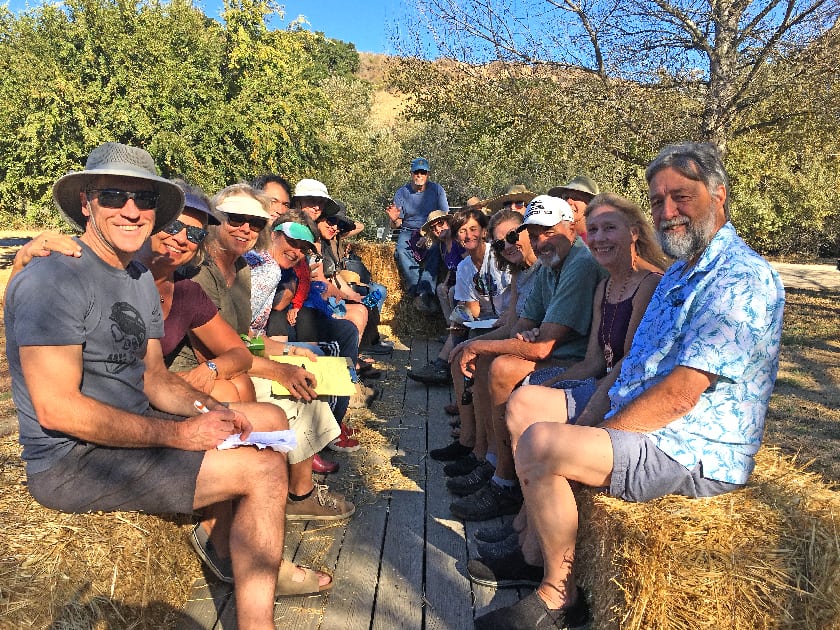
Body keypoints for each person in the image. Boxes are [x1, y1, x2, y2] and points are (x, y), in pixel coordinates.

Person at [3, 143, 327, 630]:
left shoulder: (135, 277)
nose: (131, 210)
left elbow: (155, 378)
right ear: (86, 202)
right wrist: (179, 435)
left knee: (268, 420)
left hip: (132, 430)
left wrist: (209, 410)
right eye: (114, 195)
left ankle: (234, 550)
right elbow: (56, 410)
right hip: (75, 460)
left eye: (144, 200)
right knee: (261, 469)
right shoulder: (53, 278)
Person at [471, 142, 785, 629]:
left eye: (681, 196)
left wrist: (599, 434)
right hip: (649, 421)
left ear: (719, 195)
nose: (668, 211)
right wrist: (594, 412)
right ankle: (532, 548)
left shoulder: (740, 279)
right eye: (658, 200)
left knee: (543, 442)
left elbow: (682, 393)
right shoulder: (680, 274)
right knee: (525, 404)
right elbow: (625, 366)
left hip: (695, 449)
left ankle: (559, 597)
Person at [467, 192, 667, 568]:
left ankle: (528, 544)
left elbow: (623, 367)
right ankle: (521, 521)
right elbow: (594, 359)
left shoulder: (647, 285)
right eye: (595, 230)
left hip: (622, 395)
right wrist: (543, 386)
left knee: (524, 398)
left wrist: (588, 412)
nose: (600, 238)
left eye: (610, 228)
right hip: (597, 379)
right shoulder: (605, 287)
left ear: (635, 233)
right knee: (526, 398)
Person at [432, 195, 607, 523]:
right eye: (536, 233)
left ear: (570, 227)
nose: (542, 240)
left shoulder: (579, 264)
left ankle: (505, 481)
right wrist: (474, 346)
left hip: (575, 363)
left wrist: (479, 346)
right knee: (486, 361)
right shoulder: (549, 266)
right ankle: (488, 459)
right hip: (556, 354)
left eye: (548, 231)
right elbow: (521, 326)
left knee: (500, 366)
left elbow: (542, 346)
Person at [192, 184, 356, 520]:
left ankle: (300, 486)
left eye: (254, 224)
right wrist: (281, 365)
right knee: (299, 385)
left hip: (233, 361)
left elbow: (244, 335)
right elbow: (222, 349)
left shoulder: (238, 270)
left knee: (305, 374)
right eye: (236, 219)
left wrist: (288, 351)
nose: (246, 229)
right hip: (214, 373)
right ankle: (297, 491)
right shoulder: (209, 270)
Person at [386, 157, 449, 312]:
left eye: (423, 172)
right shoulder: (402, 192)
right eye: (417, 172)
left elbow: (444, 216)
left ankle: (426, 291)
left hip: (432, 229)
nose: (420, 175)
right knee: (401, 250)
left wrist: (431, 235)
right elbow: (397, 225)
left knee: (434, 249)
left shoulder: (437, 190)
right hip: (408, 230)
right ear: (411, 174)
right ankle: (417, 291)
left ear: (428, 174)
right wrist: (393, 220)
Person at [548, 175, 599, 242]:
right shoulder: (554, 236)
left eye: (576, 198)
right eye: (566, 197)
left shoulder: (595, 243)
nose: (568, 202)